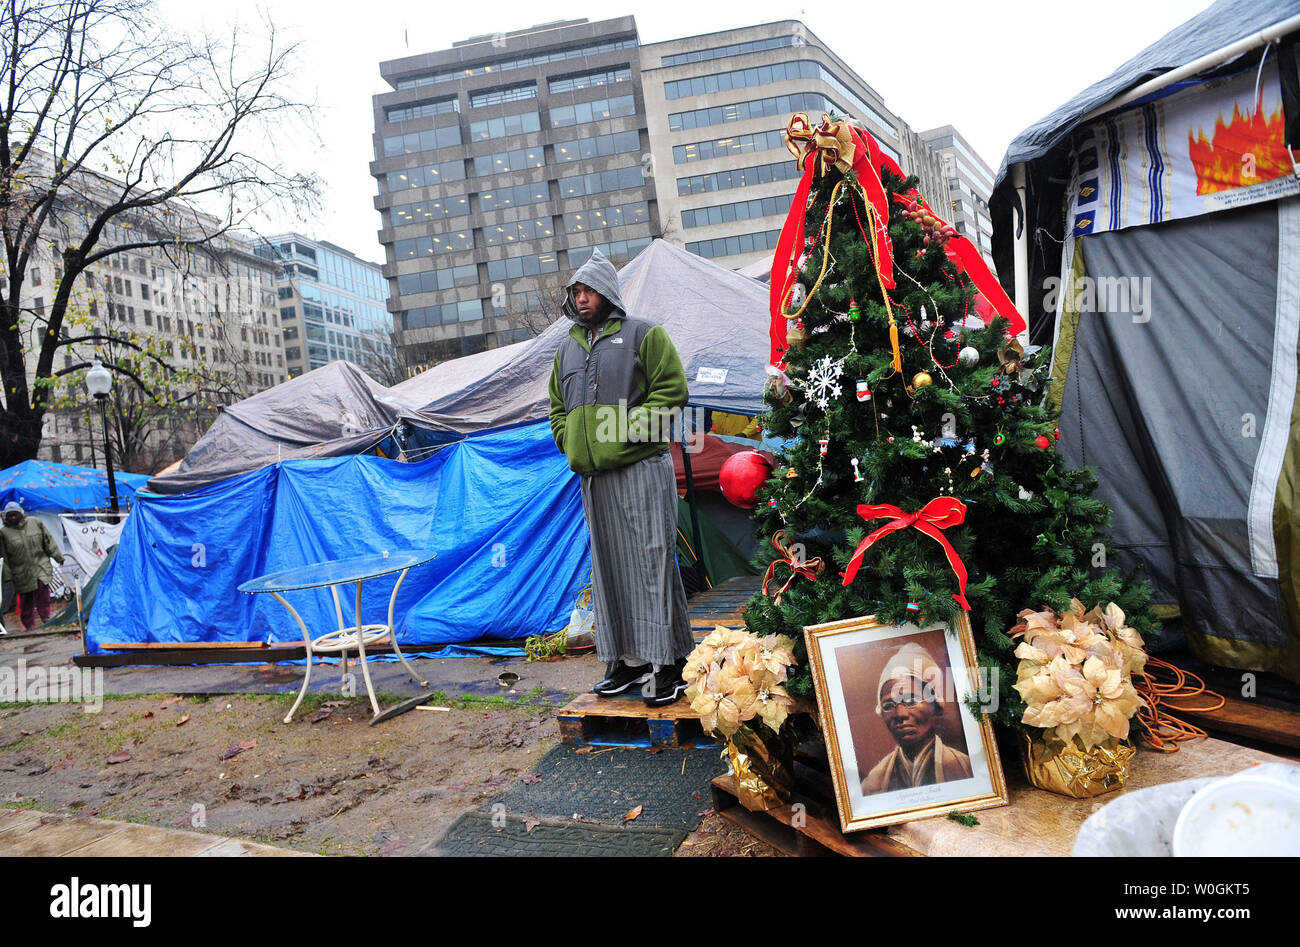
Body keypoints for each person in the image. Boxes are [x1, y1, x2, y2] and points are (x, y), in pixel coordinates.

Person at [547, 249, 693, 707]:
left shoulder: (643, 334)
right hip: (594, 479)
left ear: (608, 292)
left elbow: (672, 394)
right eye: (577, 291)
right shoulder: (566, 349)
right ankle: (626, 662)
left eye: (589, 289)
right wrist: (570, 440)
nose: (582, 297)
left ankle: (668, 664)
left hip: (642, 468)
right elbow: (556, 408)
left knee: (651, 562)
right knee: (608, 568)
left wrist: (623, 434)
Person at [860, 642, 972, 794]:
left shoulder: (966, 769)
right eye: (888, 706)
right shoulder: (872, 784)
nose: (900, 714)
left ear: (936, 706)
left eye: (911, 701)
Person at [0, 501, 65, 632]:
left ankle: (46, 618)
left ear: (21, 514)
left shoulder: (35, 523)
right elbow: (4, 557)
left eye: (15, 515)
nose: (13, 518)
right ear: (6, 517)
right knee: (26, 599)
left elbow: (48, 541)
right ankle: (29, 624)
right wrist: (7, 577)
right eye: (10, 516)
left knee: (43, 593)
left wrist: (58, 556)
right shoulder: (4, 533)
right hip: (20, 571)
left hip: (40, 565)